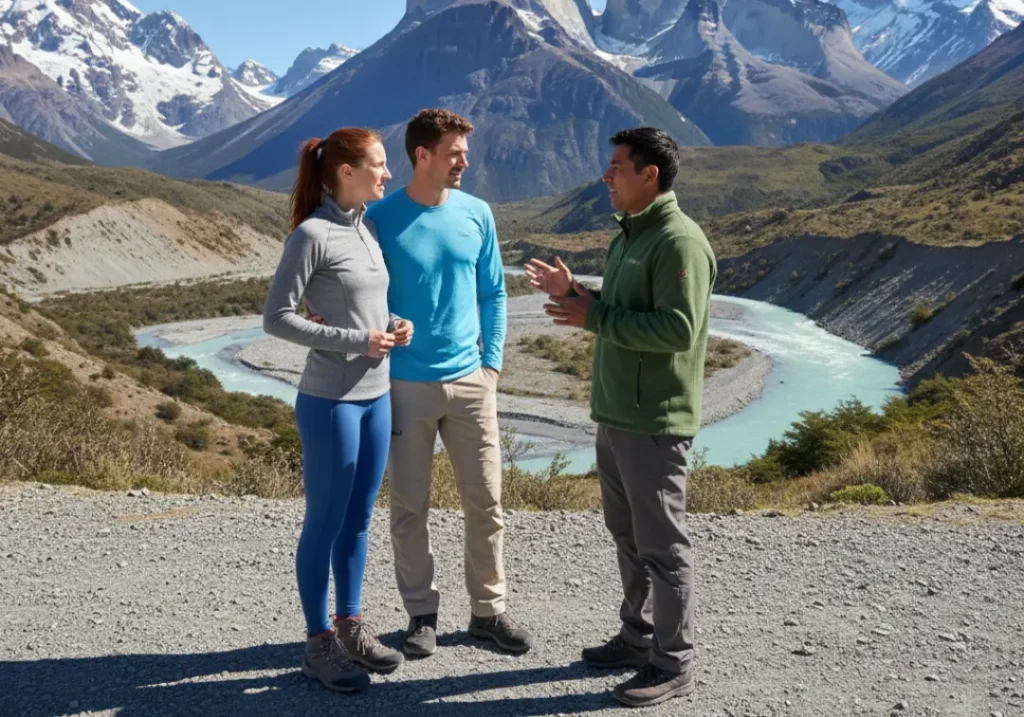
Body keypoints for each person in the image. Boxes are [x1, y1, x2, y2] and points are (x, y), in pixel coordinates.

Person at [525, 127, 716, 708]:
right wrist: (578, 294)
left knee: (662, 543)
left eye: (616, 167)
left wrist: (595, 317)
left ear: (649, 174)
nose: (606, 177)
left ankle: (673, 661)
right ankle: (638, 638)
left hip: (654, 419)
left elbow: (678, 330)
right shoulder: (631, 236)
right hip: (617, 414)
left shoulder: (678, 241)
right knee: (629, 535)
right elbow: (620, 311)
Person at [364, 108, 533, 657]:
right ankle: (421, 615)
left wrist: (492, 366)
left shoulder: (477, 213)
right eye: (455, 152)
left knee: (486, 502)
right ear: (422, 156)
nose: (465, 160)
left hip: (470, 382)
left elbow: (494, 293)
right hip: (404, 387)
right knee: (409, 507)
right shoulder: (379, 219)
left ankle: (489, 613)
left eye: (464, 151)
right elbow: (364, 296)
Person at [262, 128, 414, 692]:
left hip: (377, 395)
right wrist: (356, 340)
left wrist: (396, 324)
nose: (387, 173)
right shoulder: (311, 234)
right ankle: (317, 642)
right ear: (345, 171)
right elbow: (275, 318)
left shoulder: (366, 228)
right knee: (323, 522)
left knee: (359, 519)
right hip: (331, 401)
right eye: (378, 164)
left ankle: (351, 626)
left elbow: (367, 305)